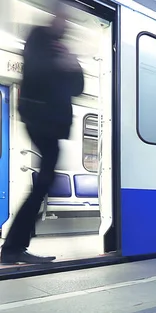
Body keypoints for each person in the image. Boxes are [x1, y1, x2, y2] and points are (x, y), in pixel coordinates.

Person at [1, 1, 84, 264]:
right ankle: (14, 247)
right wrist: (60, 63)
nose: (66, 24)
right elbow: (35, 71)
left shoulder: (64, 49)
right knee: (44, 181)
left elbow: (77, 88)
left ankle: (15, 245)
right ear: (54, 17)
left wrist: (73, 66)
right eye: (63, 18)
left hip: (55, 125)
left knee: (44, 183)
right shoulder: (39, 37)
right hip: (39, 119)